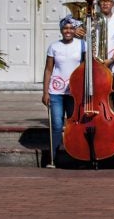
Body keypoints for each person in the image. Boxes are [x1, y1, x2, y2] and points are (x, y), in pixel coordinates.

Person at [42, 16, 83, 166]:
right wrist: (45, 92)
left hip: (74, 92)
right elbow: (48, 69)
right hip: (56, 92)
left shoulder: (82, 45)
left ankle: (77, 156)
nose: (68, 31)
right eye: (65, 28)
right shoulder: (54, 46)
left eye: (71, 28)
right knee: (57, 125)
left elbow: (86, 67)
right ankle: (53, 158)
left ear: (75, 30)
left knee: (75, 125)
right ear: (61, 30)